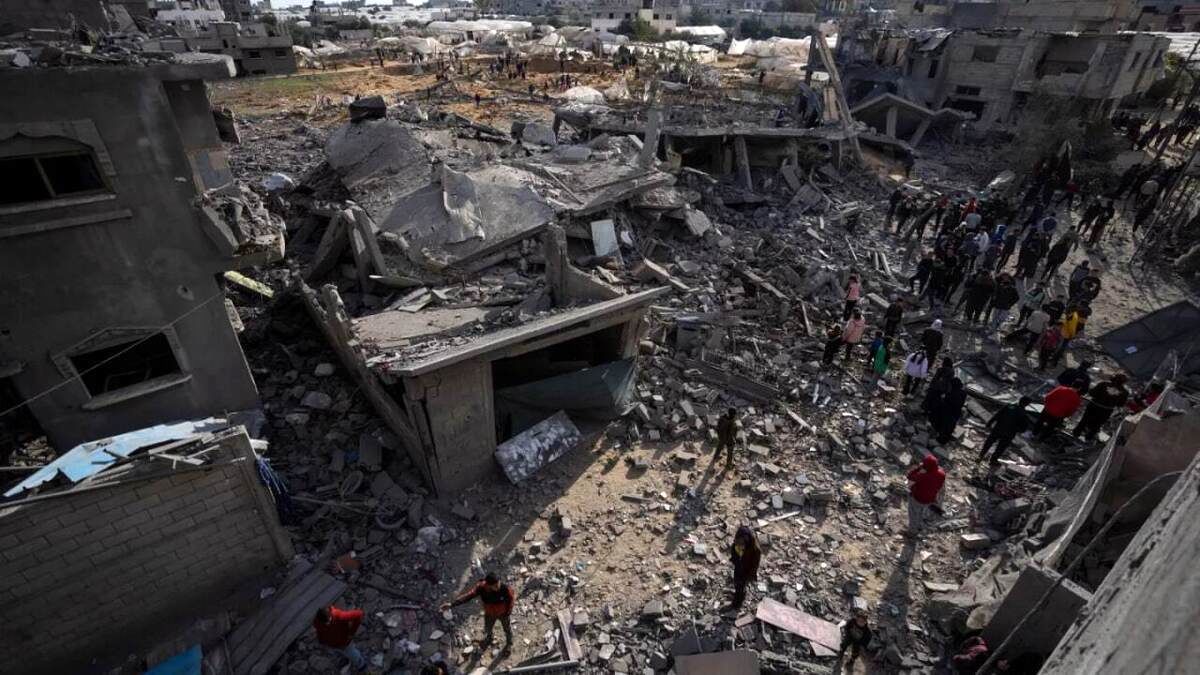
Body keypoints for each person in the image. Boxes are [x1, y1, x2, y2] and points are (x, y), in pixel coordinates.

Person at [441, 573, 517, 651]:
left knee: (507, 629)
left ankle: (509, 643)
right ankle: (489, 638)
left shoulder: (505, 589)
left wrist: (507, 613)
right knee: (488, 628)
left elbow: (511, 601)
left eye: (498, 584)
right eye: (495, 586)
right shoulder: (481, 588)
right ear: (488, 585)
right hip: (489, 613)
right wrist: (452, 604)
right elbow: (468, 596)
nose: (498, 588)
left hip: (503, 614)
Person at [979, 397, 1032, 468]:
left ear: (1020, 400)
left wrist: (989, 423)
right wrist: (1016, 429)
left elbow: (998, 414)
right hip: (1009, 434)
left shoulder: (1010, 406)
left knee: (989, 442)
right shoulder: (1024, 414)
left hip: (998, 428)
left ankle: (981, 455)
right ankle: (993, 460)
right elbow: (1023, 429)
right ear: (1027, 404)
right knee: (1000, 448)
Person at [1074, 373, 1130, 441]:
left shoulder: (1103, 384)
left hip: (1094, 406)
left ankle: (1076, 433)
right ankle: (1088, 438)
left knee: (1084, 420)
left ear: (1113, 378)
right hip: (1106, 411)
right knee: (1097, 425)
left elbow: (1092, 393)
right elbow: (1120, 404)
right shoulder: (1125, 392)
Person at [313, 605, 368, 672]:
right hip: (333, 645)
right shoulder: (318, 623)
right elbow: (319, 632)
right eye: (325, 623)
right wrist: (322, 641)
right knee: (342, 653)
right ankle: (346, 659)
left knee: (353, 654)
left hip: (345, 643)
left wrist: (351, 632)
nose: (328, 624)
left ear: (330, 615)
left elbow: (359, 614)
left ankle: (361, 665)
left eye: (329, 621)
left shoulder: (339, 616)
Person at [906, 454, 946, 535]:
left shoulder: (922, 475)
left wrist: (918, 468)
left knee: (913, 514)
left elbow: (909, 477)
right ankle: (920, 526)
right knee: (922, 512)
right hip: (930, 499)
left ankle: (912, 532)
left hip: (917, 498)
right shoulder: (942, 474)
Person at [727, 525, 761, 609]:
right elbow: (734, 553)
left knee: (741, 587)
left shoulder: (755, 550)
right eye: (738, 543)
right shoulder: (737, 543)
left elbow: (754, 566)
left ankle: (736, 604)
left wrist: (749, 576)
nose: (740, 545)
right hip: (739, 567)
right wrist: (735, 560)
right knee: (737, 583)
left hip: (747, 572)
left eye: (742, 544)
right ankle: (738, 594)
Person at [930, 377, 967, 444]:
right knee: (948, 427)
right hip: (955, 413)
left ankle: (940, 439)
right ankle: (943, 439)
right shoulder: (963, 393)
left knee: (945, 425)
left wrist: (943, 399)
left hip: (949, 411)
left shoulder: (953, 393)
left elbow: (948, 401)